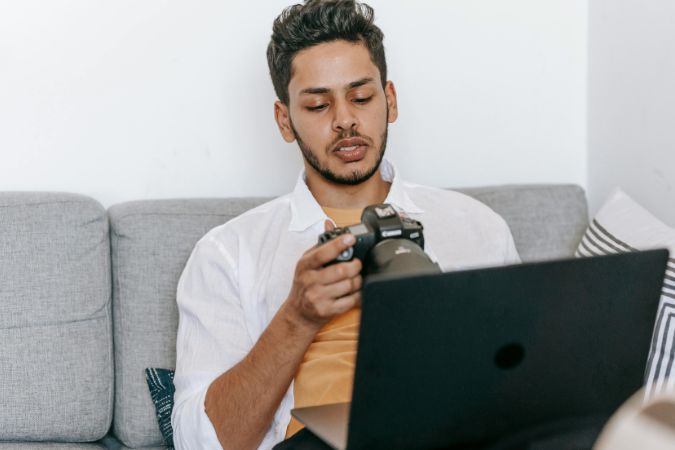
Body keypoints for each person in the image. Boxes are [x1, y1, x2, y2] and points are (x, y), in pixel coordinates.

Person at [171, 1, 520, 449]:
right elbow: (202, 443)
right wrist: (297, 318)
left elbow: (524, 391)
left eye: (361, 97)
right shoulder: (228, 252)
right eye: (318, 105)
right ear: (285, 120)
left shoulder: (477, 228)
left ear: (389, 100)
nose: (345, 120)